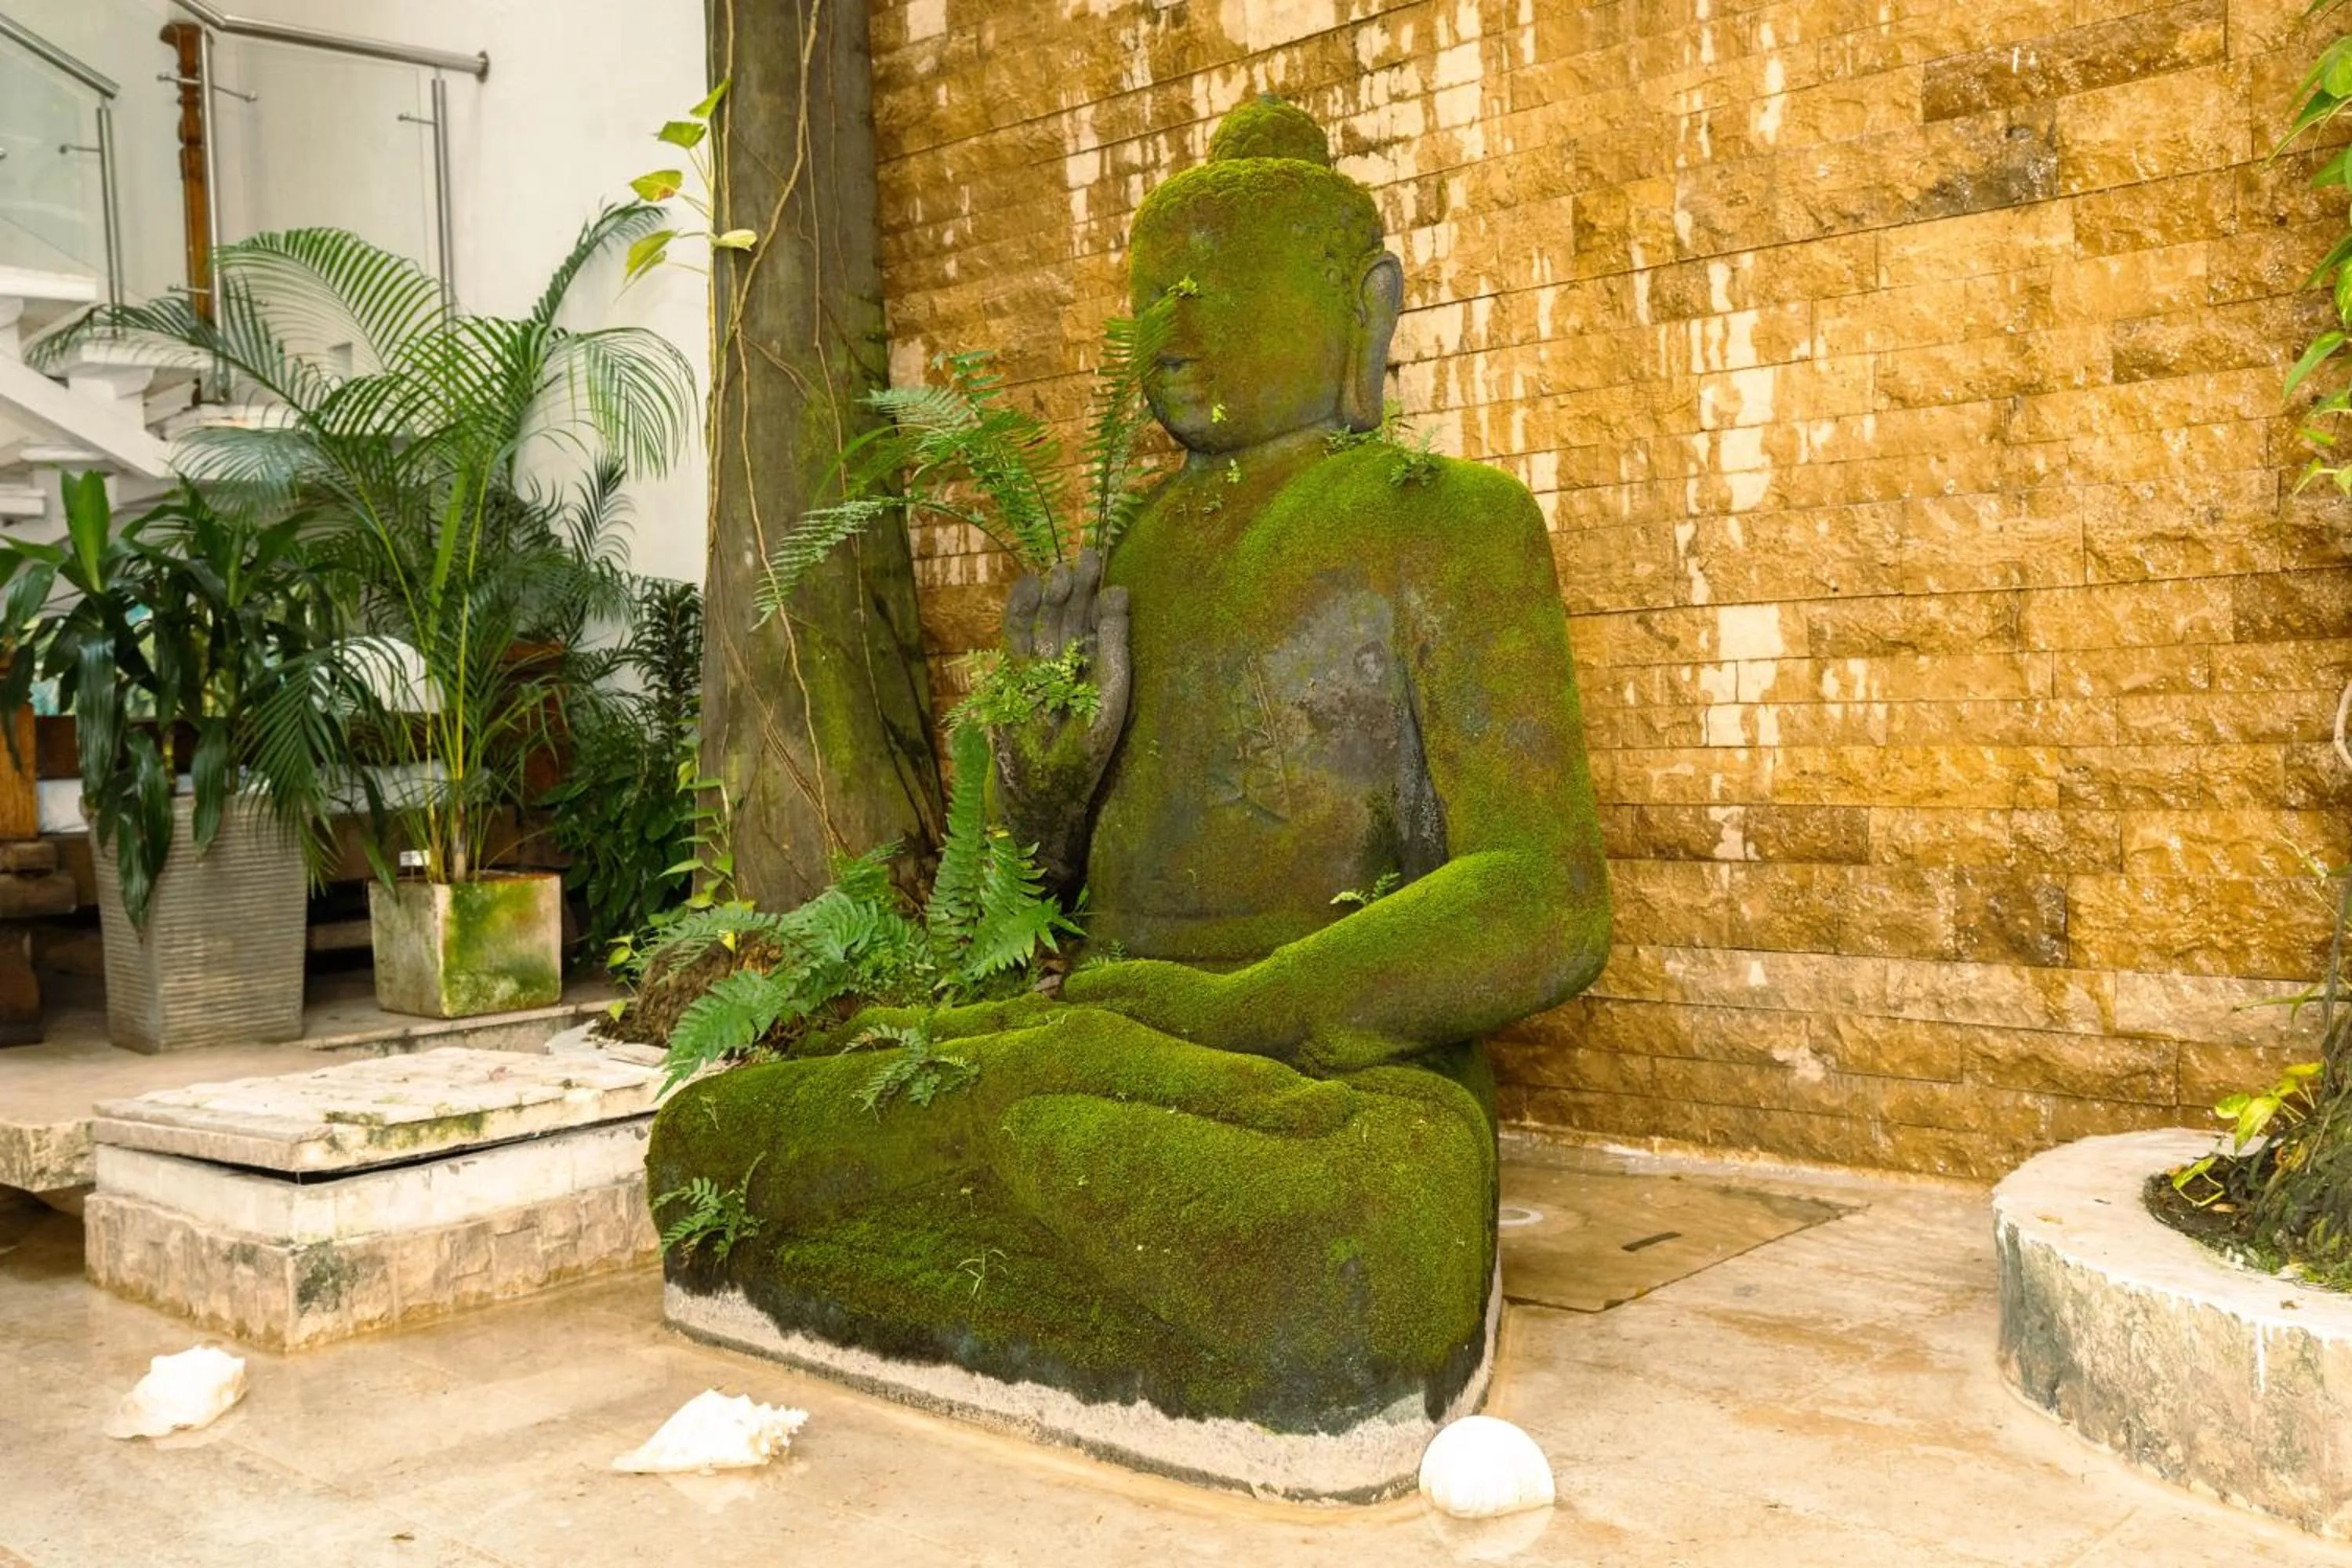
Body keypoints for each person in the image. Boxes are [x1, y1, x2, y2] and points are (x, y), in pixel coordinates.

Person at [650, 96, 1610, 1452]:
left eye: (1215, 283)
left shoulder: (1447, 529)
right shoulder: (1128, 561)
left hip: (1328, 1078)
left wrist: (1243, 1016)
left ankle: (1008, 1146)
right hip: (1093, 1036)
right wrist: (1048, 790)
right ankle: (1013, 1142)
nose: (1174, 316)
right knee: (709, 1138)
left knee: (1335, 1254)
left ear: (1368, 311)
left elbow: (1548, 899)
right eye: (1156, 287)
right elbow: (1018, 907)